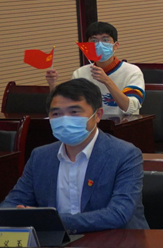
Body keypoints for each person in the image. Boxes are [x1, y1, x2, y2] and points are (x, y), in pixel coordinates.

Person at [2, 79, 148, 232]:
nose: (65, 119)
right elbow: (12, 204)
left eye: (74, 112)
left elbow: (118, 214)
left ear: (97, 115)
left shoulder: (125, 154)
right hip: (55, 242)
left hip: (116, 241)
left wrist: (50, 220)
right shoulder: (40, 156)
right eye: (56, 114)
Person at [44, 20, 143, 122]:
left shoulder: (132, 71)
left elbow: (130, 108)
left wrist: (106, 80)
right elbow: (67, 105)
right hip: (89, 126)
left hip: (123, 125)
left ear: (116, 45)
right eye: (94, 40)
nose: (99, 44)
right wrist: (52, 84)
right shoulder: (80, 73)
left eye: (105, 40)